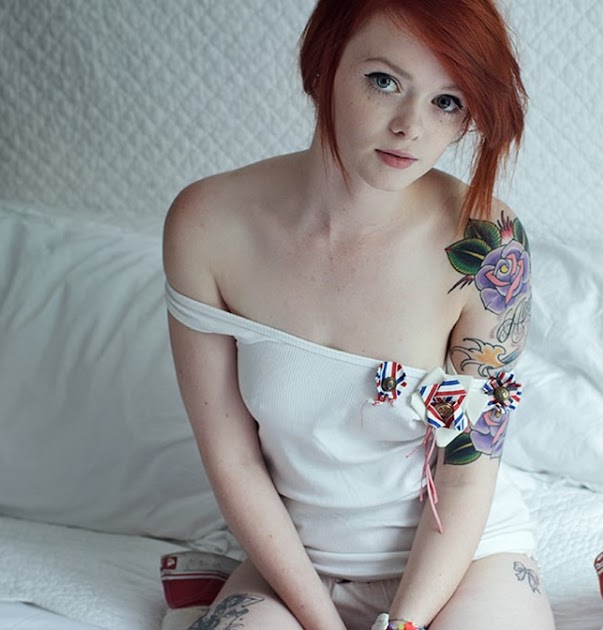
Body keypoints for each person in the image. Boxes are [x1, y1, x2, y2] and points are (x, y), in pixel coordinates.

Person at [161, 1, 551, 628]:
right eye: (384, 81)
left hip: (461, 562)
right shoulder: (209, 226)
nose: (410, 126)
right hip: (297, 565)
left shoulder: (487, 244)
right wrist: (320, 621)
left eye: (446, 102)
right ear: (324, 65)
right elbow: (231, 457)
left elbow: (467, 472)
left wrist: (403, 624)